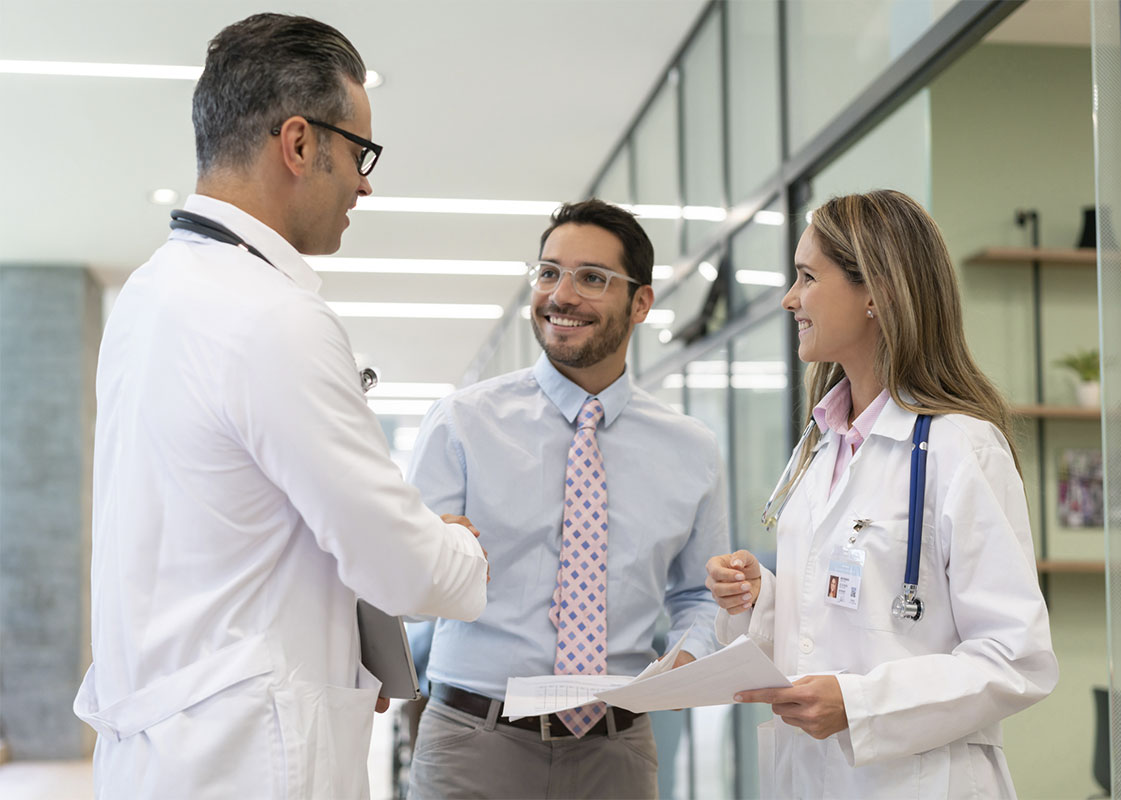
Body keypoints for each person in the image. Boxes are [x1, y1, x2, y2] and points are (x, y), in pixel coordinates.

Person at [72, 14, 489, 800]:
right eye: (360, 152)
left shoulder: (151, 296)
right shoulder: (271, 318)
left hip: (170, 746)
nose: (366, 182)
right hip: (246, 759)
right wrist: (458, 548)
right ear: (299, 144)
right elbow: (404, 568)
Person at [705, 190, 1058, 798]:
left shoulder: (959, 448)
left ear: (877, 293)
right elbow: (828, 623)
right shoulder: (819, 448)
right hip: (812, 777)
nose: (790, 299)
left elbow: (1016, 659)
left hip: (920, 781)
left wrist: (860, 703)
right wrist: (759, 600)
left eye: (807, 278)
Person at [406, 199, 730, 799]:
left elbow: (698, 595)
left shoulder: (692, 450)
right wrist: (426, 557)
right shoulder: (462, 423)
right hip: (474, 744)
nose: (561, 294)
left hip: (617, 752)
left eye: (591, 278)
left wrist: (689, 655)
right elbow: (403, 592)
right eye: (549, 272)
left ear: (640, 304)